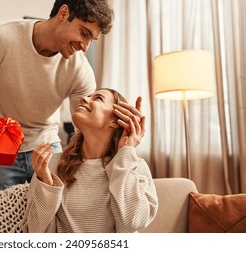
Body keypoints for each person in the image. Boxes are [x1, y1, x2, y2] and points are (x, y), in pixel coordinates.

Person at [0, 0, 140, 190]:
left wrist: (121, 136)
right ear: (63, 13)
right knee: (5, 219)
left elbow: (86, 125)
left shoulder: (80, 69)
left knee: (51, 215)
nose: (85, 46)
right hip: (1, 146)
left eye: (92, 39)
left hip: (48, 147)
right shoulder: (1, 36)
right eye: (84, 33)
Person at [23, 88, 158, 233]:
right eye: (88, 96)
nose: (84, 99)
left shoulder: (135, 166)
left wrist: (126, 151)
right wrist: (46, 184)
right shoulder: (52, 165)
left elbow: (132, 222)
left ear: (115, 121)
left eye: (98, 98)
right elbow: (34, 233)